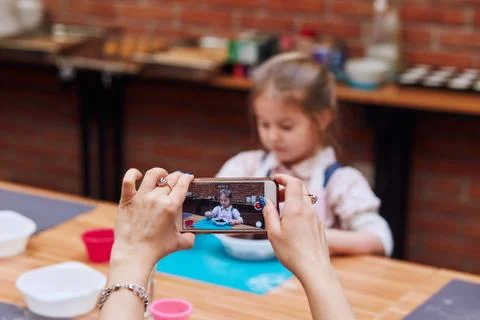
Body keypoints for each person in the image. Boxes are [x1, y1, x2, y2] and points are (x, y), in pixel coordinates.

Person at [98, 168, 355, 320]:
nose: (222, 203)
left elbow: (236, 219)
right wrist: (318, 266)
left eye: (224, 200)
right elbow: (212, 217)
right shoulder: (218, 210)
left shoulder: (234, 211)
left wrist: (130, 254)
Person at [216, 52, 393, 256]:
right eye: (264, 124)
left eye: (286, 126)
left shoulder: (340, 182)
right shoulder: (245, 167)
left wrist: (315, 237)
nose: (273, 136)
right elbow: (213, 217)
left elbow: (380, 239)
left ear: (322, 119)